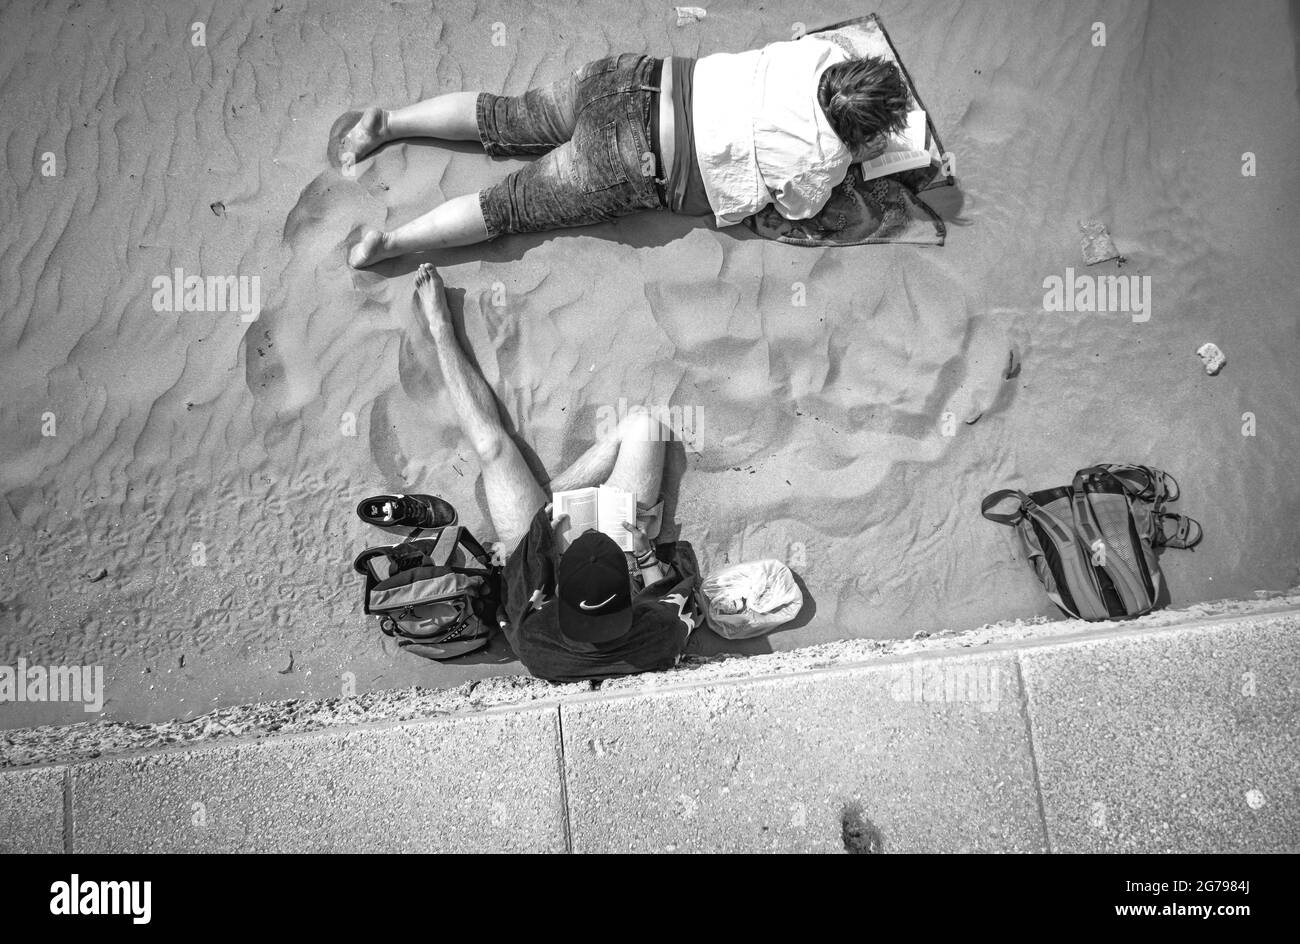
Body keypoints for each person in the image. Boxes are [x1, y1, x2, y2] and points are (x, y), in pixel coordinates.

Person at [341, 38, 910, 266]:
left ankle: (388, 123)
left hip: (627, 78)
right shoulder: (825, 160)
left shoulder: (820, 52)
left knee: (504, 114)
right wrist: (851, 155)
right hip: (631, 159)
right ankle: (388, 243)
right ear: (861, 132)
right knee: (506, 207)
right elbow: (797, 208)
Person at [406, 263, 704, 681]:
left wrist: (542, 537)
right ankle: (551, 491)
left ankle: (441, 332)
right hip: (624, 551)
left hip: (541, 552)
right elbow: (670, 594)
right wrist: (645, 554)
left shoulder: (535, 644)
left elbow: (517, 582)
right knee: (644, 426)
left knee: (492, 448)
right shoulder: (661, 637)